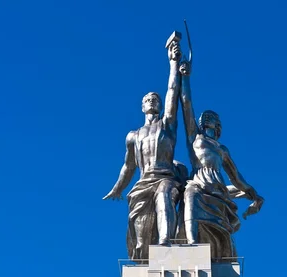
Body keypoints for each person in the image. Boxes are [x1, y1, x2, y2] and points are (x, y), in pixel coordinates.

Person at [103, 39, 187, 260]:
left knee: (165, 195)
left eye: (155, 99)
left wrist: (173, 62)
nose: (152, 100)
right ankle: (146, 259)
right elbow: (128, 166)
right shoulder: (133, 135)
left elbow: (172, 90)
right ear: (142, 106)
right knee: (141, 238)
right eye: (148, 99)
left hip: (165, 177)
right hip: (142, 183)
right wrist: (117, 189)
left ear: (160, 105)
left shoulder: (168, 125)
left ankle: (166, 243)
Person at [177, 60, 264, 259]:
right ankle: (191, 245)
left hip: (218, 191)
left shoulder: (222, 150)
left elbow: (237, 178)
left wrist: (254, 195)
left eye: (211, 117)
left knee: (222, 232)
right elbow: (187, 105)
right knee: (189, 193)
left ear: (218, 125)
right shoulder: (195, 139)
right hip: (199, 185)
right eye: (204, 117)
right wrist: (185, 78)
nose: (205, 118)